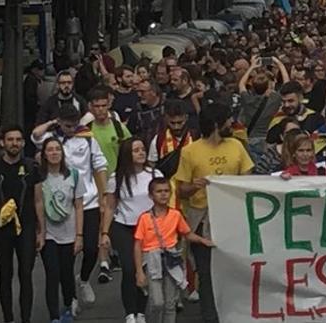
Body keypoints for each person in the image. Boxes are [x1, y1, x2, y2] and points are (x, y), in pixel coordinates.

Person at [172, 102, 253, 323]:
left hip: (233, 220)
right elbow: (181, 190)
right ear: (218, 124)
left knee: (235, 271)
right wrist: (195, 185)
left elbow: (249, 181)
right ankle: (210, 317)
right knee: (206, 275)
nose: (231, 123)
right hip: (202, 221)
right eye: (228, 120)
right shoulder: (190, 151)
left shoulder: (236, 146)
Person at [30, 103, 109, 308]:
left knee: (91, 248)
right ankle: (70, 298)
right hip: (62, 201)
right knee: (67, 255)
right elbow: (34, 135)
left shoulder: (87, 138)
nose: (71, 129)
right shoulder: (52, 140)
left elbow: (100, 165)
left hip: (87, 199)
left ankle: (82, 280)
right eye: (67, 125)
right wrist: (52, 123)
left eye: (74, 125)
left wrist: (103, 197)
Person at [0, 126, 45, 323]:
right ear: (2, 143)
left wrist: (42, 231)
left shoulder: (32, 167)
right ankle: (8, 318)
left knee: (26, 273)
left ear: (23, 143)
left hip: (27, 226)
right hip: (2, 227)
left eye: (18, 140)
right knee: (5, 274)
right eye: (10, 139)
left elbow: (38, 200)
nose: (14, 143)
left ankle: (26, 318)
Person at [134, 178, 214, 323]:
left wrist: (203, 240)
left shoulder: (176, 215)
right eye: (159, 191)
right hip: (152, 260)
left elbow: (187, 233)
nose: (163, 194)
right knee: (157, 302)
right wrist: (139, 271)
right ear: (151, 195)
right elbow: (138, 245)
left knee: (170, 303)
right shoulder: (145, 218)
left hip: (171, 259)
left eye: (166, 191)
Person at [104, 138, 163, 323]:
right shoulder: (117, 178)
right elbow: (110, 207)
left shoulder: (154, 174)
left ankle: (141, 312)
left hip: (149, 228)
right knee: (129, 268)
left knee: (145, 269)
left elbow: (163, 202)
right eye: (136, 150)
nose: (141, 153)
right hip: (124, 227)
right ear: (127, 154)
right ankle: (130, 313)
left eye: (142, 149)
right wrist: (104, 233)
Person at [37, 138, 83, 323]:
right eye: (50, 150)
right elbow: (36, 204)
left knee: (66, 272)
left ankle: (68, 304)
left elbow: (79, 206)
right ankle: (54, 316)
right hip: (48, 233)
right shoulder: (39, 178)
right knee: (52, 273)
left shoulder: (73, 175)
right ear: (44, 154)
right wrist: (39, 232)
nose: (54, 153)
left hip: (69, 232)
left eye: (58, 149)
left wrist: (79, 235)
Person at [132, 79, 168, 145]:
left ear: (153, 92)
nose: (139, 95)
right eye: (138, 92)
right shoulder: (137, 111)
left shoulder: (167, 107)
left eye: (142, 92)